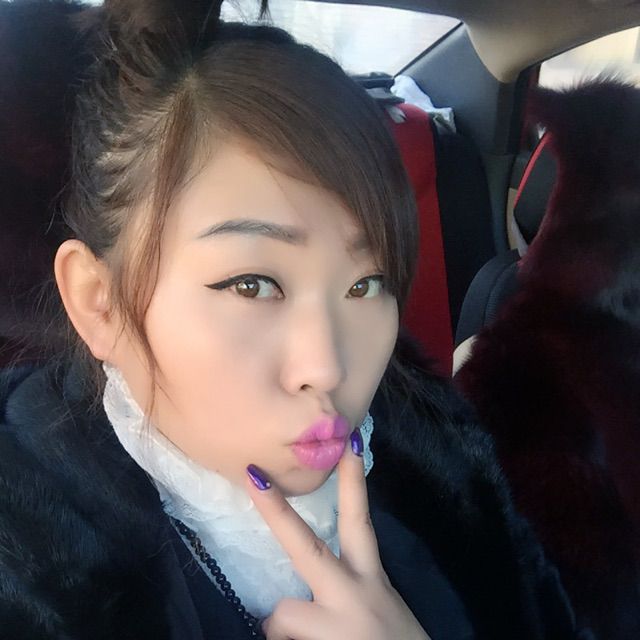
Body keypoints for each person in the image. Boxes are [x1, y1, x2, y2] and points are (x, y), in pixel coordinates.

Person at [0, 1, 590, 638]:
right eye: (252, 285)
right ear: (99, 301)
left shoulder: (442, 459)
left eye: (366, 283)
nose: (327, 368)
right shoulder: (30, 571)